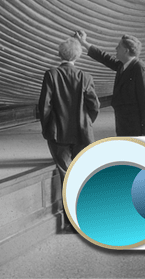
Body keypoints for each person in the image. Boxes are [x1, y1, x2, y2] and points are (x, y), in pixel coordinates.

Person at [37, 37, 100, 185]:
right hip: (82, 132)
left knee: (65, 175)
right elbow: (95, 106)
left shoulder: (51, 75)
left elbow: (44, 106)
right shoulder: (85, 77)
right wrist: (86, 121)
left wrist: (47, 129)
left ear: (60, 54)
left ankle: (68, 208)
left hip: (58, 133)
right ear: (77, 56)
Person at [74, 30, 145, 136]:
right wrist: (84, 42)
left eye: (119, 46)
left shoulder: (141, 70)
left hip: (136, 131)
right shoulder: (123, 66)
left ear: (126, 51)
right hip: (124, 127)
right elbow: (104, 58)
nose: (116, 49)